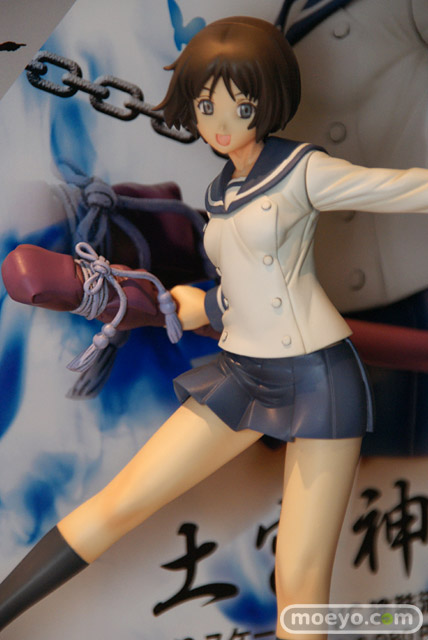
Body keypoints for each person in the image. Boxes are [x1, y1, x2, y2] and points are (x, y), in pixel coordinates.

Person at [2, 16, 428, 640]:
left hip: (319, 381)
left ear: (269, 101)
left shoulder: (302, 169)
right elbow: (240, 288)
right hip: (244, 371)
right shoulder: (223, 190)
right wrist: (194, 303)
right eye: (206, 107)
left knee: (299, 583)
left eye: (240, 107)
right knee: (120, 502)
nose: (221, 124)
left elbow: (400, 189)